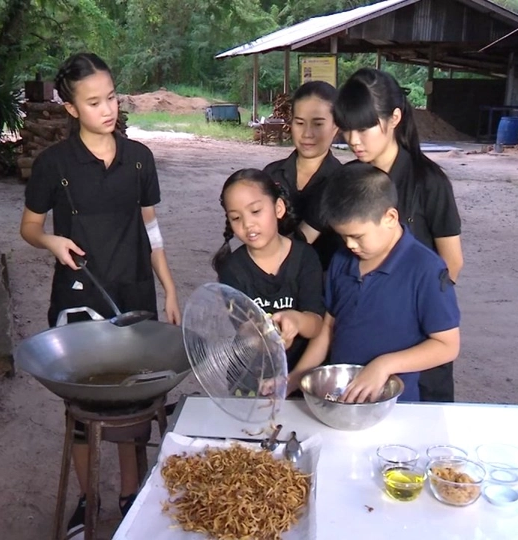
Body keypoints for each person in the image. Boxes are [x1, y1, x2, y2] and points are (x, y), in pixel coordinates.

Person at [19, 52, 180, 537]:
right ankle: (87, 500)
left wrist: (169, 288)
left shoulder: (139, 159)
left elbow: (151, 231)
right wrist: (51, 240)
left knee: (136, 396)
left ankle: (131, 494)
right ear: (71, 109)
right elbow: (29, 228)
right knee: (82, 403)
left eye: (110, 97)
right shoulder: (53, 164)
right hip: (78, 293)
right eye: (93, 102)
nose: (107, 109)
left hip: (133, 288)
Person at [333, 67, 463, 403]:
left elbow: (451, 264)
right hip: (356, 340)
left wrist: (406, 314)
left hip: (417, 349)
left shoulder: (429, 182)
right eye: (347, 129)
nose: (354, 140)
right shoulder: (347, 179)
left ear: (394, 118)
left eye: (364, 128)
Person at [286, 162, 460, 404]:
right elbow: (327, 328)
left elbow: (447, 345)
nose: (349, 245)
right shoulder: (342, 261)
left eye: (357, 236)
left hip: (397, 406)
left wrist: (384, 365)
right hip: (340, 396)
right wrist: (296, 377)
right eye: (343, 236)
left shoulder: (425, 269)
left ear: (390, 217)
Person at [212, 169, 325, 380]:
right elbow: (245, 332)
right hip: (253, 376)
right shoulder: (232, 269)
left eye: (255, 211)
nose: (248, 224)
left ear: (278, 208)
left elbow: (316, 325)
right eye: (236, 217)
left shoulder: (305, 258)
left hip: (298, 374)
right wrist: (265, 336)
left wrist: (297, 320)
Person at [263, 81, 343, 271]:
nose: (307, 133)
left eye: (318, 124)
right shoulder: (270, 175)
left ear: (335, 126)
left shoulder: (344, 182)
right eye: (300, 123)